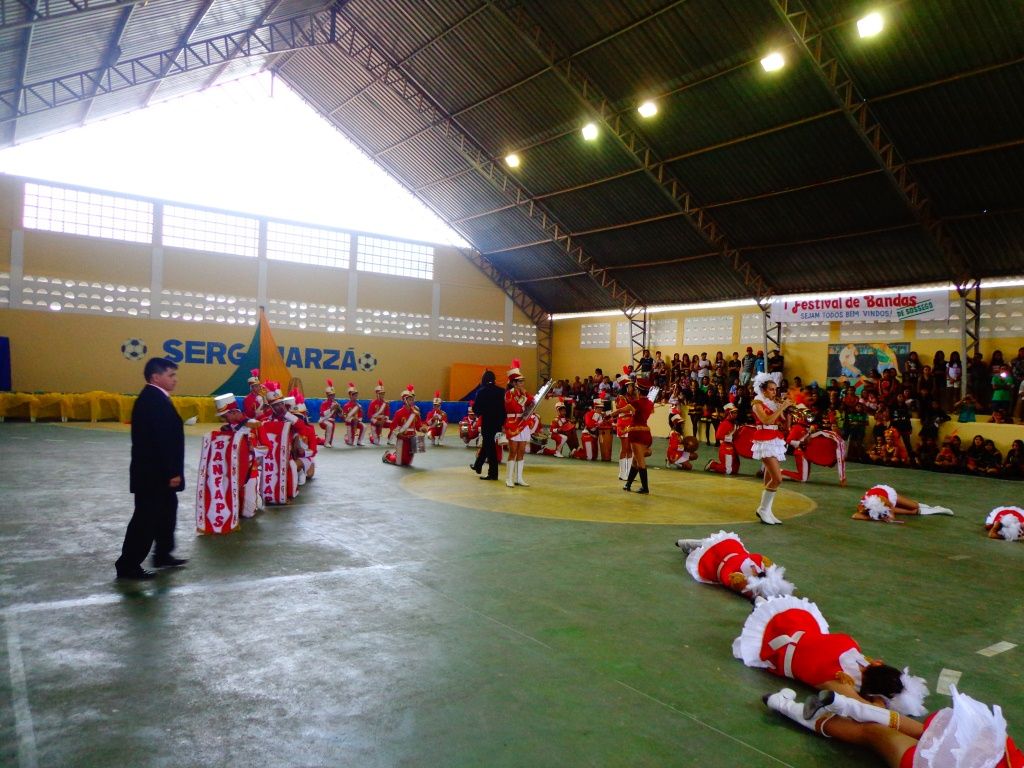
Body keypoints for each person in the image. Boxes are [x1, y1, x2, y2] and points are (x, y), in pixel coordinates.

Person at [735, 595, 929, 719]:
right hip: (780, 649)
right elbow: (866, 709)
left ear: (879, 664)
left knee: (804, 636)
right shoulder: (839, 682)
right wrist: (882, 704)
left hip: (796, 627)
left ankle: (762, 603)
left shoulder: (852, 644)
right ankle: (761, 605)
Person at [764, 684, 1022, 768]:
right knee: (923, 732)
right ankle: (834, 703)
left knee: (873, 732)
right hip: (979, 755)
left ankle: (787, 705)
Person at [115, 358, 187, 580]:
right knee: (145, 519)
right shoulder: (153, 401)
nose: (175, 379)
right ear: (156, 377)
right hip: (154, 475)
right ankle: (128, 565)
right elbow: (162, 441)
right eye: (171, 375)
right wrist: (172, 472)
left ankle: (162, 554)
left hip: (155, 473)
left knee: (167, 511)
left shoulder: (156, 398)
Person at [675, 531, 794, 600]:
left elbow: (735, 581)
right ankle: (698, 543)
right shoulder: (760, 564)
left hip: (716, 563)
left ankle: (695, 546)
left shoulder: (744, 583)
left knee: (707, 549)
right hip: (732, 551)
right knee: (714, 544)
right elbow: (759, 558)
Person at [750, 372, 792, 525]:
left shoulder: (774, 404)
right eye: (771, 389)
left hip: (775, 439)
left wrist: (787, 412)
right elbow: (766, 420)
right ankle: (762, 509)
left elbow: (784, 426)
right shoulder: (757, 403)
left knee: (769, 479)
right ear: (763, 390)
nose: (775, 392)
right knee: (777, 479)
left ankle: (767, 511)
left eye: (775, 389)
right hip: (764, 440)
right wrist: (782, 408)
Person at [615, 376, 655, 494]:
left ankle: (645, 487)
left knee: (639, 460)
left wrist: (610, 415)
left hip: (635, 432)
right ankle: (628, 484)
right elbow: (648, 411)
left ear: (638, 390)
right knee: (635, 460)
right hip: (645, 433)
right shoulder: (649, 403)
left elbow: (620, 410)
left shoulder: (635, 402)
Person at [503, 359, 534, 488]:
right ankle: (508, 478)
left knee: (521, 451)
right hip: (512, 424)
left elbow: (532, 401)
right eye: (520, 381)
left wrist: (525, 395)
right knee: (513, 452)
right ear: (514, 383)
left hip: (523, 423)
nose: (522, 383)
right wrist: (524, 398)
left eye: (522, 381)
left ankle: (519, 478)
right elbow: (514, 407)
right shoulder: (508, 394)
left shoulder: (524, 393)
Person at [470, 370, 505, 481]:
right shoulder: (502, 391)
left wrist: (481, 412)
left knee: (490, 449)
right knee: (487, 444)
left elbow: (476, 409)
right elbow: (505, 408)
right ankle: (478, 465)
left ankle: (493, 474)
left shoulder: (482, 392)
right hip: (498, 423)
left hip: (487, 422)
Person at [853, 484, 953, 522]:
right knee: (911, 511)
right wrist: (874, 518)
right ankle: (937, 510)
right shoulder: (863, 506)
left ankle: (924, 506)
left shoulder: (883, 500)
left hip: (887, 493)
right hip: (880, 502)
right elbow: (855, 515)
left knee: (913, 506)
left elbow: (891, 510)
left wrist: (890, 516)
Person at [382, 386, 422, 466]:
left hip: (413, 439)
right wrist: (398, 434)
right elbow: (393, 426)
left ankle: (397, 454)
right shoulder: (399, 412)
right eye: (410, 399)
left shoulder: (416, 413)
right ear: (405, 400)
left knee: (408, 463)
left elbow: (418, 426)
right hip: (402, 438)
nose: (412, 401)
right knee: (399, 462)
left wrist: (422, 429)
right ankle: (388, 455)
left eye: (413, 399)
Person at [704, 402, 741, 475]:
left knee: (735, 470)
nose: (735, 414)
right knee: (728, 471)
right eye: (733, 412)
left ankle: (720, 466)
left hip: (733, 449)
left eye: (736, 412)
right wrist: (732, 438)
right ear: (728, 413)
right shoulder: (725, 423)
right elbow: (718, 436)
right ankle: (712, 464)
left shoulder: (734, 423)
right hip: (726, 449)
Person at [366, 379, 390, 446]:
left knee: (394, 425)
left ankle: (390, 440)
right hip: (375, 422)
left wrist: (385, 419)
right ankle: (371, 436)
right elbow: (369, 415)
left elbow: (387, 414)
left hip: (382, 421)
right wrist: (376, 421)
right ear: (377, 394)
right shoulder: (373, 403)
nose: (382, 395)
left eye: (383, 394)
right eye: (381, 394)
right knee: (376, 442)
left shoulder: (385, 403)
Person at [318, 379, 341, 447]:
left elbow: (340, 415)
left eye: (333, 395)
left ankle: (327, 442)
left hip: (332, 421)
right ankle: (326, 443)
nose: (332, 397)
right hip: (323, 420)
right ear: (327, 395)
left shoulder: (336, 403)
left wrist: (339, 409)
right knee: (330, 425)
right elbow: (322, 414)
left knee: (330, 441)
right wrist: (331, 409)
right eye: (331, 395)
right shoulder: (324, 403)